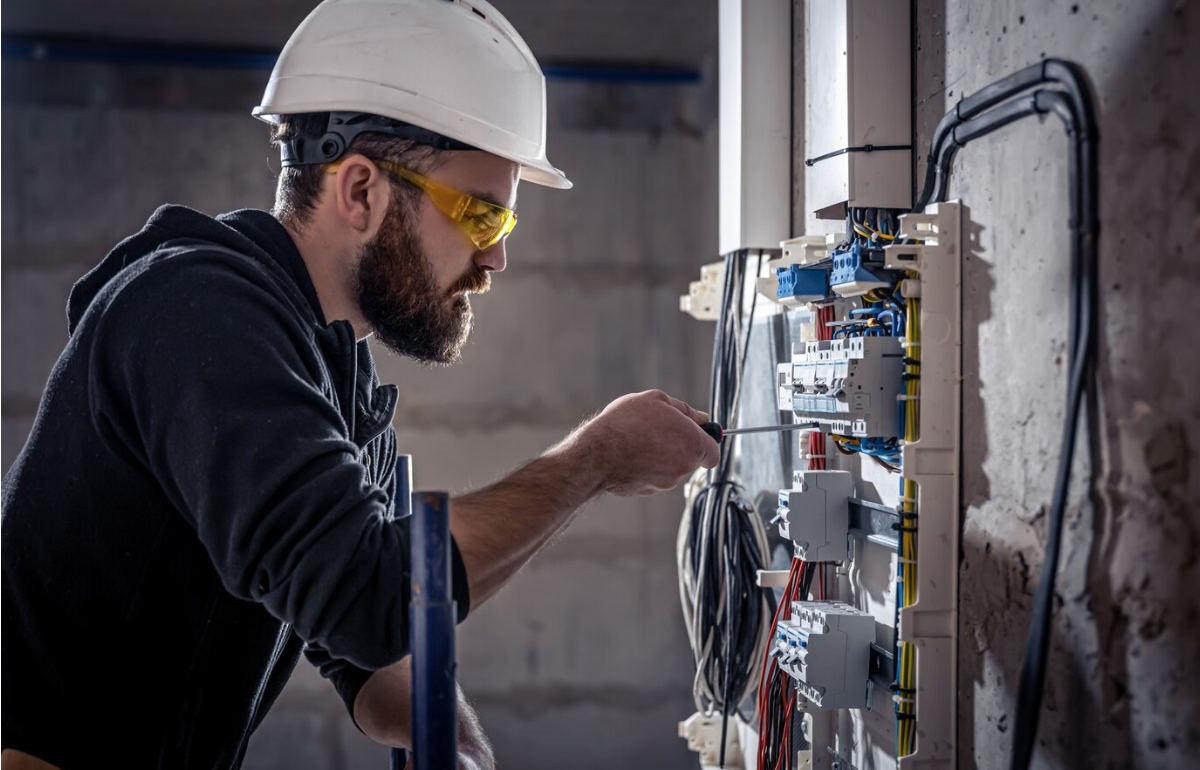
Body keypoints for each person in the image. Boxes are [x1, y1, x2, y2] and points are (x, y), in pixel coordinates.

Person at [0, 0, 718, 768]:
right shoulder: (196, 314)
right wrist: (593, 460)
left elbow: (364, 643)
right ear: (361, 191)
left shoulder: (330, 375)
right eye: (481, 216)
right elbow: (369, 594)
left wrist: (455, 744)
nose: (495, 259)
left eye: (504, 228)